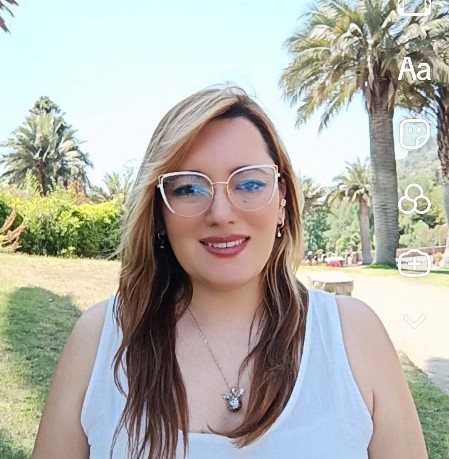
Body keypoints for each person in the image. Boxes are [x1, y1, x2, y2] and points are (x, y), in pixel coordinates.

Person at [32, 86, 428, 459]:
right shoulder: (99, 340)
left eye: (250, 183)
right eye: (189, 188)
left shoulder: (355, 336)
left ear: (282, 200)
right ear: (158, 212)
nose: (221, 213)